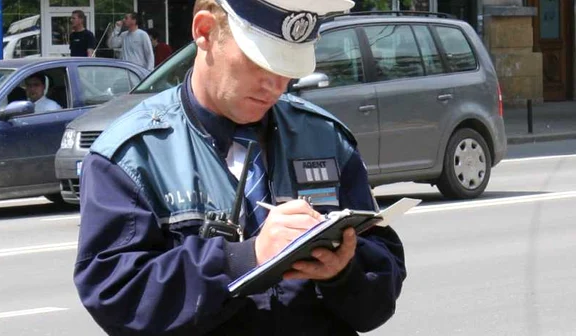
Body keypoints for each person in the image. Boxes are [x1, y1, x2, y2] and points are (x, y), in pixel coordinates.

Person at [74, 0, 406, 335]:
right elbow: (117, 297)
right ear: (204, 31)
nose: (275, 86)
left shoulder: (324, 137)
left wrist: (344, 270)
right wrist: (244, 259)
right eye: (259, 62)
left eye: (288, 69)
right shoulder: (133, 154)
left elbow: (380, 295)